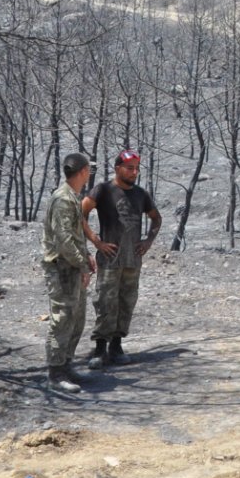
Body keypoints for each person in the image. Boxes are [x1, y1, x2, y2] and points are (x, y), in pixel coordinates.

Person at [82, 149, 162, 368]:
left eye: (136, 169)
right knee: (105, 302)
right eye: (129, 168)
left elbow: (156, 219)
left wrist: (148, 242)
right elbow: (81, 214)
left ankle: (116, 345)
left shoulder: (141, 194)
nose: (134, 172)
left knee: (127, 302)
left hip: (132, 260)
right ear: (117, 168)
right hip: (109, 259)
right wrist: (96, 241)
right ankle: (100, 348)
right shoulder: (103, 190)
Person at [41, 152, 96, 393]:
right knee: (62, 319)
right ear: (83, 171)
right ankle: (55, 373)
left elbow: (74, 235)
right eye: (88, 169)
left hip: (73, 267)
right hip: (62, 268)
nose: (89, 173)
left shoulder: (72, 197)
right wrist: (82, 264)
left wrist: (87, 257)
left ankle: (66, 364)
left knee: (77, 318)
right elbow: (63, 240)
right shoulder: (63, 199)